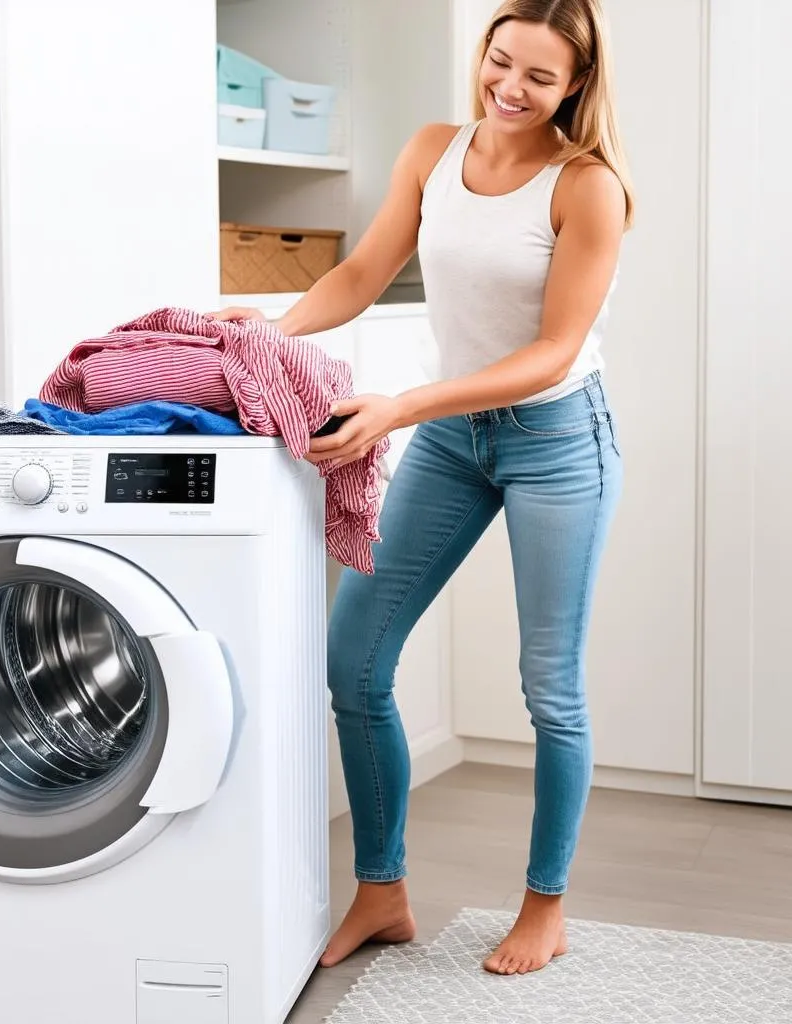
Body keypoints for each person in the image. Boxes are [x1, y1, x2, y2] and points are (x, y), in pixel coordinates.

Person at [215, 0, 632, 978]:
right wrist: (269, 330)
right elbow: (362, 270)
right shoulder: (432, 151)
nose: (511, 88)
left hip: (559, 439)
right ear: (481, 56)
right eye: (500, 63)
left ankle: (545, 905)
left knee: (549, 689)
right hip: (450, 438)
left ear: (573, 84)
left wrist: (402, 405)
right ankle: (383, 889)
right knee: (353, 658)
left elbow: (551, 352)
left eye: (538, 75)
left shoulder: (588, 188)